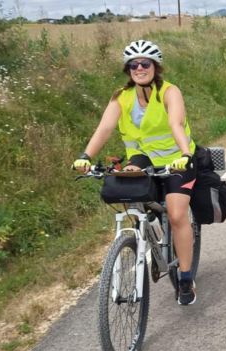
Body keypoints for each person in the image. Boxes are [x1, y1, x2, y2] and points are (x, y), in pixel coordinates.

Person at [72, 39, 201, 305]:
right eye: (134, 64)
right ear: (127, 69)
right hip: (142, 158)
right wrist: (85, 157)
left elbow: (176, 123)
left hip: (177, 158)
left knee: (177, 216)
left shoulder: (169, 92)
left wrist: (186, 155)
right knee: (128, 188)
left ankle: (186, 278)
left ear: (155, 66)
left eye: (145, 63)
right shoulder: (122, 97)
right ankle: (149, 232)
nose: (139, 68)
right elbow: (104, 128)